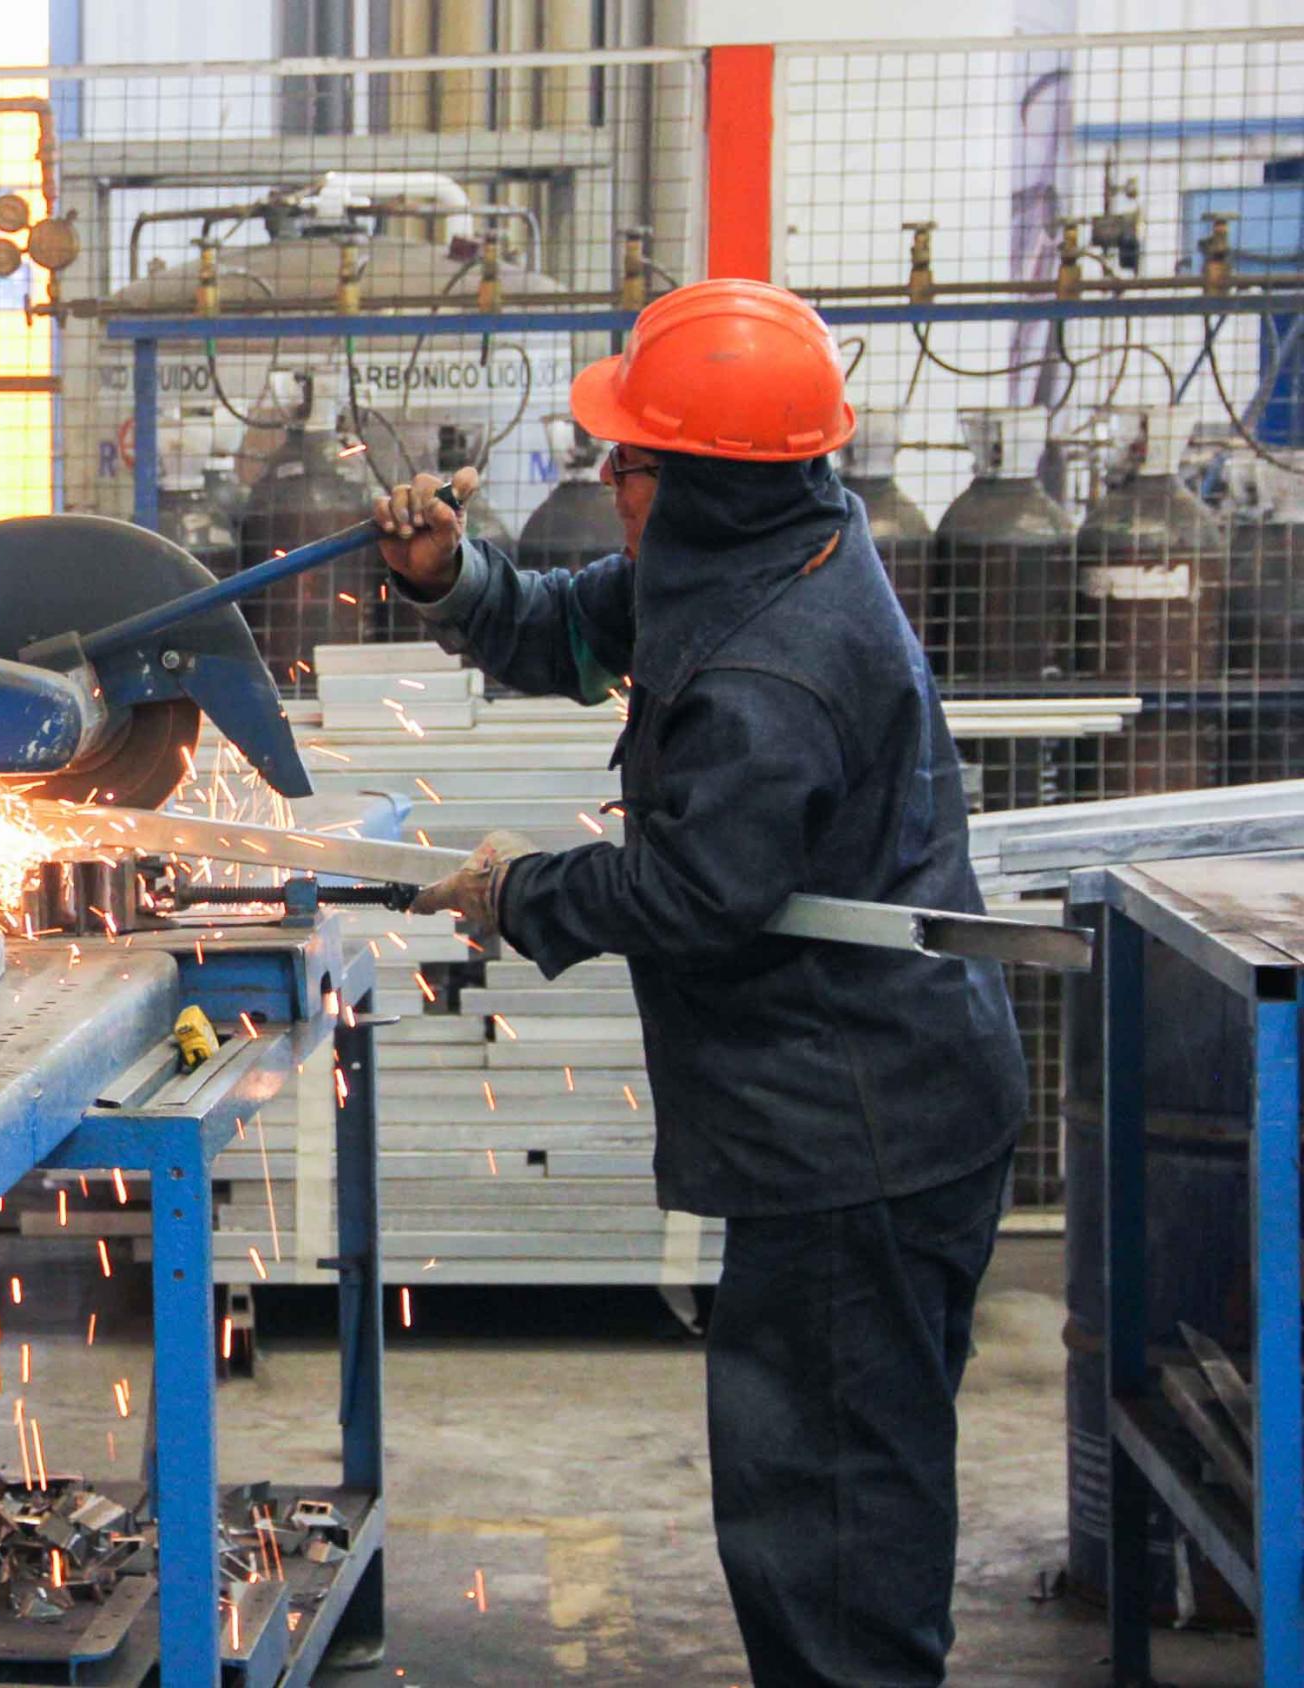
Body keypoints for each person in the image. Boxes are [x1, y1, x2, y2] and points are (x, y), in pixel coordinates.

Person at [371, 278, 1028, 1687]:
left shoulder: (774, 666)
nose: (612, 477)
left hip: (858, 1139)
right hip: (861, 1117)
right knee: (838, 1494)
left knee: (833, 1527)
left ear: (710, 481)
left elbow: (695, 895)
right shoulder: (760, 547)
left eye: (635, 459)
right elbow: (575, 629)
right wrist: (452, 577)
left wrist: (516, 891)